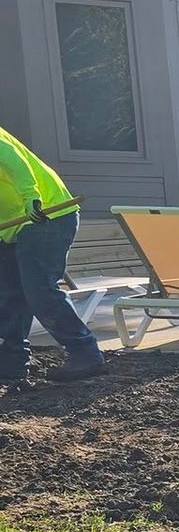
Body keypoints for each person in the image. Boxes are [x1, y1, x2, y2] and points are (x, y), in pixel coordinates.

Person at [0, 126, 105, 387]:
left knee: (38, 289)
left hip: (45, 213)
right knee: (11, 292)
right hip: (13, 226)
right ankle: (12, 360)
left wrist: (31, 197)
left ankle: (85, 353)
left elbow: (13, 160)